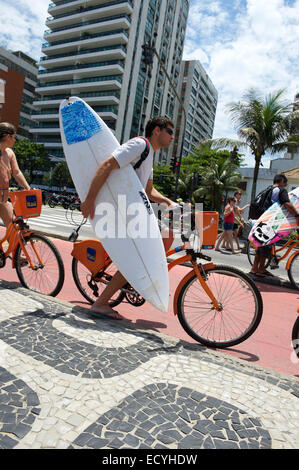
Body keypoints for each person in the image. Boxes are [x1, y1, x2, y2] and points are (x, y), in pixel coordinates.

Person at [81, 116, 177, 319]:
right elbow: (107, 165)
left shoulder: (150, 155)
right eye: (170, 131)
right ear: (157, 130)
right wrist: (89, 199)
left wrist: (168, 201)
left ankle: (132, 278)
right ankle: (100, 303)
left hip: (134, 210)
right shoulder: (139, 145)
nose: (173, 137)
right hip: (121, 209)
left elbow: (149, 191)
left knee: (167, 235)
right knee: (138, 259)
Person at [250, 174, 299, 277]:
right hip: (271, 222)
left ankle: (254, 268)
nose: (285, 186)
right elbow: (287, 204)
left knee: (261, 244)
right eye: (285, 183)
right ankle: (261, 269)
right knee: (266, 245)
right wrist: (296, 215)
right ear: (281, 181)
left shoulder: (269, 189)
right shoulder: (281, 190)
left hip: (262, 219)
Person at [0, 122, 30, 227]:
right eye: (14, 137)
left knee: (13, 227)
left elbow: (16, 172)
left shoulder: (10, 153)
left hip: (3, 198)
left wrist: (27, 188)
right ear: (8, 136)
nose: (15, 140)